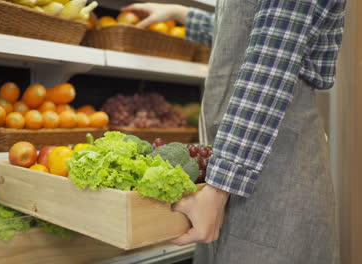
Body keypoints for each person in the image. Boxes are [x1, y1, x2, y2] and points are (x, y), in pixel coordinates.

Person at [123, 1, 346, 263]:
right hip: (230, 168)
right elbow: (244, 30)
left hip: (276, 173)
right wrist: (179, 14)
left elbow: (271, 62)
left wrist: (217, 190)